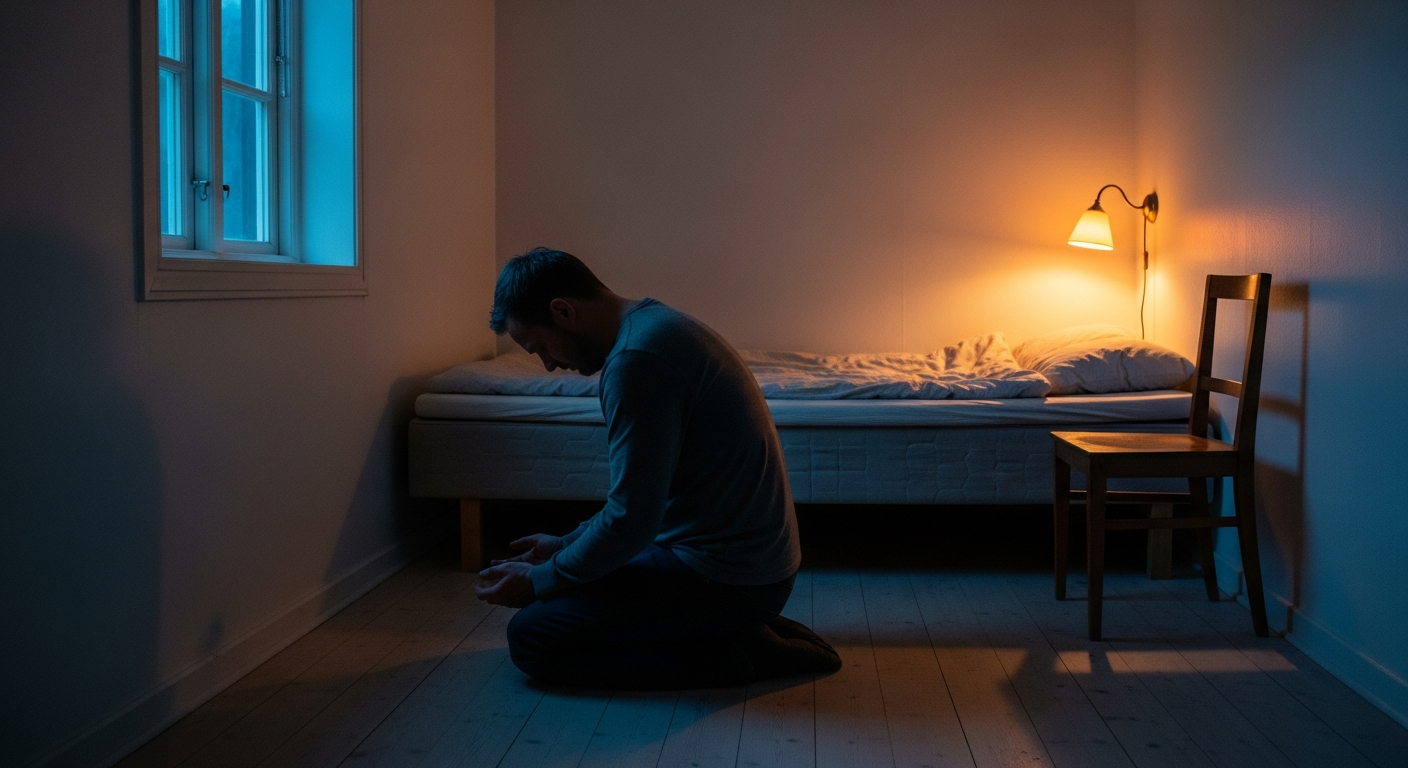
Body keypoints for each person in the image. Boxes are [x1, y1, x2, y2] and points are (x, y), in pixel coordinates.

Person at [473, 247, 840, 689]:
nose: (549, 363)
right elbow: (642, 502)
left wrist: (537, 581)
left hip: (731, 580)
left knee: (532, 639)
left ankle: (736, 653)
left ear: (563, 311)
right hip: (745, 566)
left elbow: (631, 520)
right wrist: (563, 545)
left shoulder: (636, 362)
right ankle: (735, 630)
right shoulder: (655, 323)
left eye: (540, 347)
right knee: (567, 589)